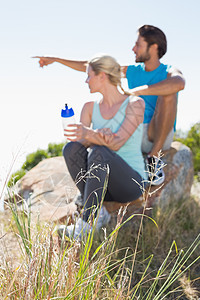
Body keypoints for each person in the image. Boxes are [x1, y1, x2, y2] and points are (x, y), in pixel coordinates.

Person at [34, 24, 185, 185]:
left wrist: (138, 91)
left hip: (156, 134)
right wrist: (56, 60)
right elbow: (94, 67)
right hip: (131, 133)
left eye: (138, 45)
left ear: (153, 47)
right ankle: (88, 181)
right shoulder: (133, 70)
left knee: (169, 93)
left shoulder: (168, 71)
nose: (133, 49)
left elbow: (179, 83)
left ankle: (153, 159)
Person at [56, 54, 147, 239]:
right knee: (70, 149)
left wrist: (92, 135)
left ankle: (88, 223)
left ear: (102, 76)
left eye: (89, 75)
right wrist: (94, 135)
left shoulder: (135, 104)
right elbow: (80, 146)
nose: (86, 80)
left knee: (100, 151)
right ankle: (100, 211)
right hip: (102, 184)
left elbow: (116, 143)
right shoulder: (89, 107)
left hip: (130, 183)